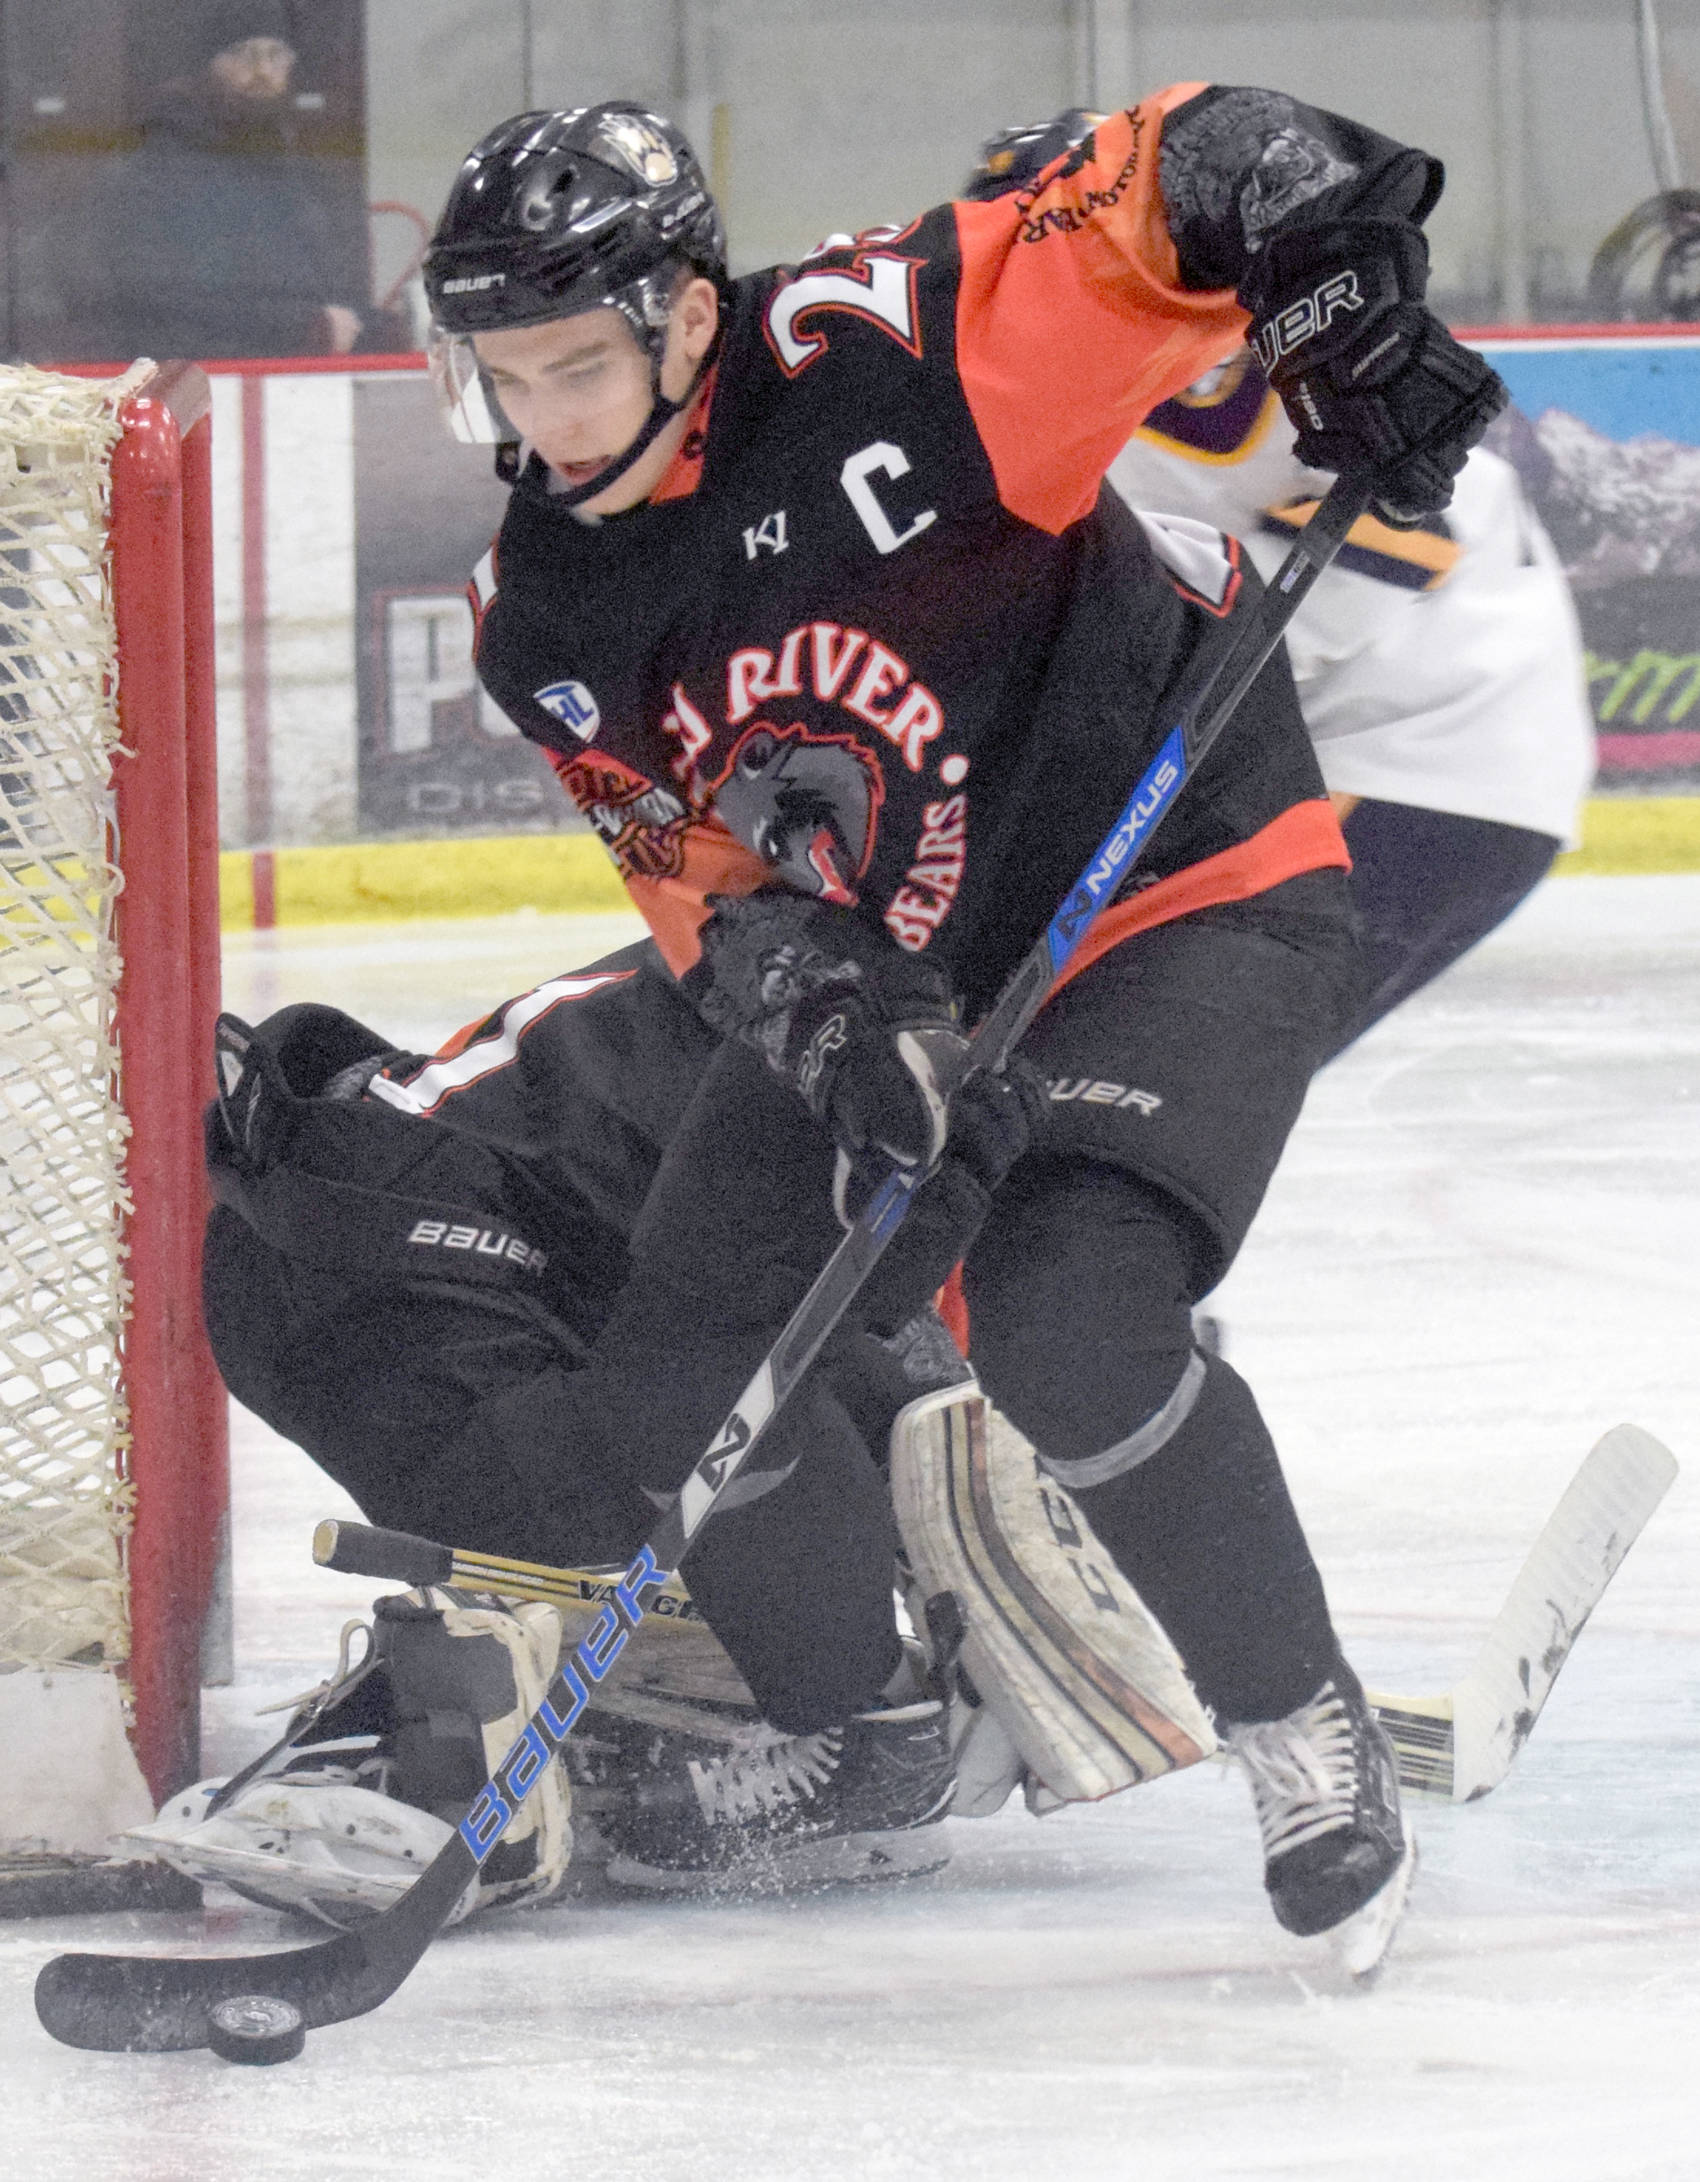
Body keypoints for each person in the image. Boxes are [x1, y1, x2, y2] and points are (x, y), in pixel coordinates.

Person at [191, 90, 1507, 1961]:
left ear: (687, 315)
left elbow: (1197, 160)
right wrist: (829, 1015)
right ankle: (858, 1730)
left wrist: (1332, 292)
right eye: (501, 378)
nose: (539, 426)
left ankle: (1302, 1721)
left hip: (1181, 879)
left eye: (576, 368)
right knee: (672, 1393)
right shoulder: (542, 605)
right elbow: (701, 877)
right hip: (913, 945)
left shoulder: (896, 350)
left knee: (1071, 1317)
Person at [966, 115, 1595, 1059]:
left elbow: (1389, 557)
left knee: (1162, 1065)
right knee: (1128, 1068)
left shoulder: (1284, 353)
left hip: (1430, 767)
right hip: (1391, 760)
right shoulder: (1118, 374)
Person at [58, 2, 370, 363]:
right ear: (205, 67)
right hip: (189, 386)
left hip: (294, 383)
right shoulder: (157, 172)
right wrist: (303, 327)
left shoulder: (300, 174)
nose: (262, 72)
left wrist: (371, 328)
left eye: (276, 55)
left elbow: (329, 287)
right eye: (243, 54)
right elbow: (166, 303)